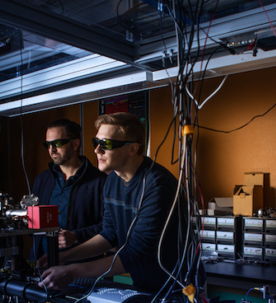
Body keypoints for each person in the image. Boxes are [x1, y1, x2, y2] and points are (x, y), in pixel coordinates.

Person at [38, 113, 202, 292]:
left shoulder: (157, 185)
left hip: (179, 286)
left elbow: (137, 254)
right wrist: (66, 257)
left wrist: (72, 272)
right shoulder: (112, 180)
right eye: (96, 142)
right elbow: (109, 234)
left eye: (106, 144)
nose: (96, 150)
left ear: (132, 149)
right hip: (144, 281)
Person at [32, 119, 106, 260]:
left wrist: (76, 236)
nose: (51, 149)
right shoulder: (42, 180)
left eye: (57, 144)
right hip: (43, 263)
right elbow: (33, 225)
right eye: (48, 144)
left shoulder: (100, 181)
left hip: (81, 268)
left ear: (75, 144)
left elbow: (109, 226)